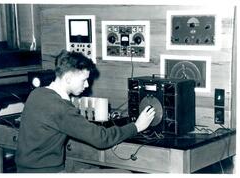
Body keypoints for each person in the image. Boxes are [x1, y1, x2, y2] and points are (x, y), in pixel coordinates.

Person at [15, 49, 155, 173]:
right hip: (48, 172)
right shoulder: (61, 107)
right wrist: (136, 126)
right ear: (68, 78)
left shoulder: (37, 93)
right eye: (84, 80)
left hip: (25, 170)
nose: (87, 85)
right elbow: (101, 139)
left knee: (85, 167)